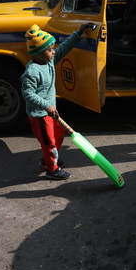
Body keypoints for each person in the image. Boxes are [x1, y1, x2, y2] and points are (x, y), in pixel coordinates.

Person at [21, 23, 93, 180]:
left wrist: (79, 31)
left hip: (51, 112)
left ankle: (47, 160)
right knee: (49, 142)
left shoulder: (48, 61)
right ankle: (52, 169)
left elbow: (64, 48)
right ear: (39, 52)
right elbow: (28, 94)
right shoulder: (32, 72)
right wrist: (47, 106)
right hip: (39, 114)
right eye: (49, 49)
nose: (53, 52)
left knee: (58, 135)